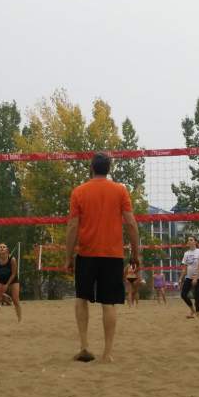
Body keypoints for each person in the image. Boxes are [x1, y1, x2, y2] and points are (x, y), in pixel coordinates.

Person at [65, 152, 141, 363]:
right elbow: (132, 224)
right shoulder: (120, 191)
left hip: (87, 254)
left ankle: (84, 347)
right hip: (113, 255)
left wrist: (68, 257)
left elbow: (72, 227)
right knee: (109, 303)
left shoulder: (79, 191)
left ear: (91, 167)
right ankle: (107, 354)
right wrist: (135, 254)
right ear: (109, 168)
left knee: (81, 299)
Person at [0, 242, 22, 323]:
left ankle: (19, 318)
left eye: (4, 247)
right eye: (0, 247)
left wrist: (7, 285)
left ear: (7, 250)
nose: (2, 248)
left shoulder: (12, 259)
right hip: (1, 281)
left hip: (12, 281)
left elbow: (13, 274)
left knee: (15, 300)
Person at [178, 235, 199, 319]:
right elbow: (185, 268)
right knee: (183, 294)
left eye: (191, 240)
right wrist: (180, 278)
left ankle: (197, 313)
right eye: (188, 240)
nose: (189, 241)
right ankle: (192, 310)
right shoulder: (186, 253)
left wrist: (196, 278)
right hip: (189, 277)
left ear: (195, 242)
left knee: (197, 296)